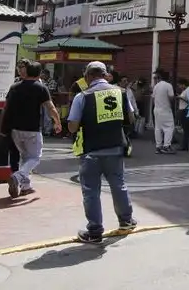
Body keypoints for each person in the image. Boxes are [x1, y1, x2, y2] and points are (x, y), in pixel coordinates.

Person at [68, 61, 137, 243]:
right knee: (118, 185)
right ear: (105, 74)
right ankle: (126, 221)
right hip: (115, 147)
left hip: (91, 151)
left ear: (87, 76)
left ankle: (95, 231)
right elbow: (130, 117)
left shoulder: (82, 96)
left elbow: (73, 126)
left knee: (91, 191)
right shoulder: (120, 92)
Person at [0, 60, 61, 198]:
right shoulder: (41, 88)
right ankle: (17, 176)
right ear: (39, 73)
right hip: (32, 129)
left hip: (15, 130)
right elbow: (50, 107)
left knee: (26, 157)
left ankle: (26, 186)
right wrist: (57, 122)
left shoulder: (14, 87)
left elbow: (5, 107)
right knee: (35, 158)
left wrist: (2, 126)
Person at [152, 69, 176, 154]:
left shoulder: (156, 86)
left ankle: (158, 146)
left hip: (157, 109)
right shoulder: (168, 85)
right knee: (169, 127)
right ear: (168, 77)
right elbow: (171, 97)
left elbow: (153, 98)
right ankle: (167, 146)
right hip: (165, 109)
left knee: (158, 128)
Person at [177, 78, 189, 151]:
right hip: (183, 110)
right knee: (185, 129)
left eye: (180, 85)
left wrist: (180, 97)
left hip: (185, 110)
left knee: (186, 129)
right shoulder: (186, 90)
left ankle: (184, 145)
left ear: (183, 84)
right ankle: (184, 145)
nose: (179, 87)